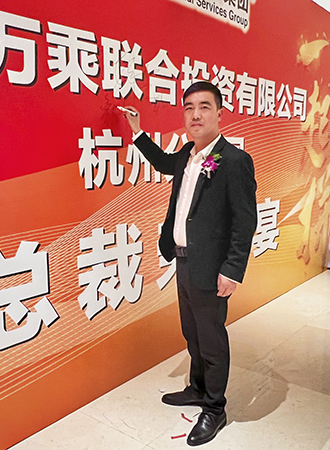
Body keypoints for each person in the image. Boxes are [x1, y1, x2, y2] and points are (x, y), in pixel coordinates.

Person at [121, 81, 257, 446]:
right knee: (192, 332)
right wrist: (137, 132)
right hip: (183, 261)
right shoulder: (187, 154)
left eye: (204, 107)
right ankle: (197, 387)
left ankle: (214, 407)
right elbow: (163, 163)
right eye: (189, 108)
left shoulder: (234, 161)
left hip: (212, 267)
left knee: (211, 338)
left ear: (219, 113)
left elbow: (245, 221)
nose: (195, 115)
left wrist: (232, 269)